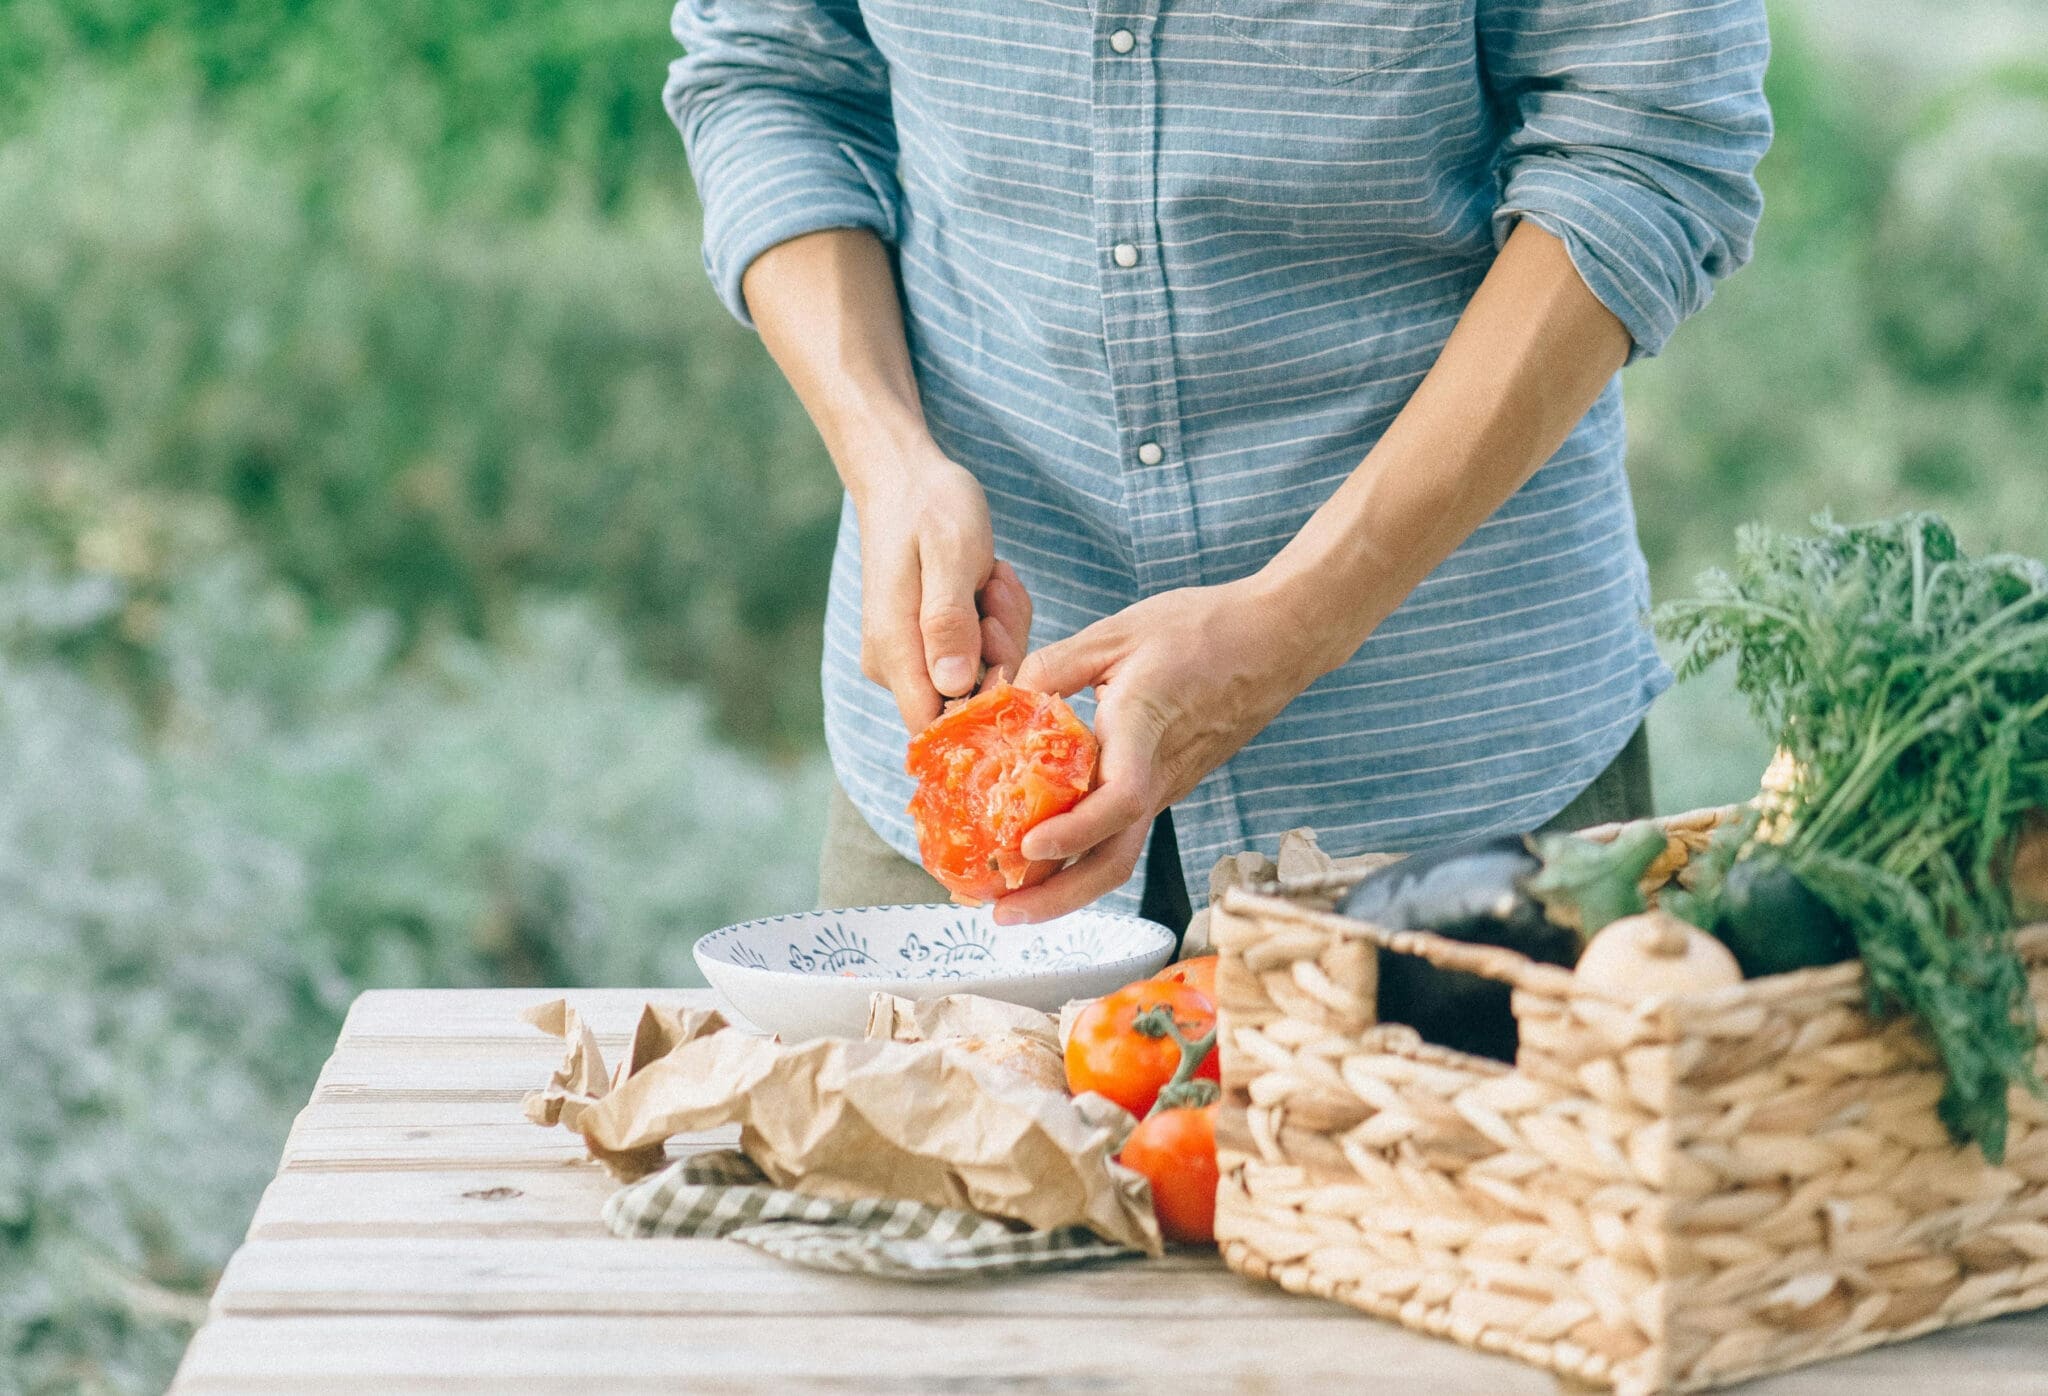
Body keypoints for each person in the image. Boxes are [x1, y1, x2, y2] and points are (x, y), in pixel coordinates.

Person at [665, 0, 1770, 931]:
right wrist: (885, 453)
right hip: (954, 807)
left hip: (1454, 796)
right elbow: (772, 77)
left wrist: (1301, 618)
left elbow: (1641, 151)